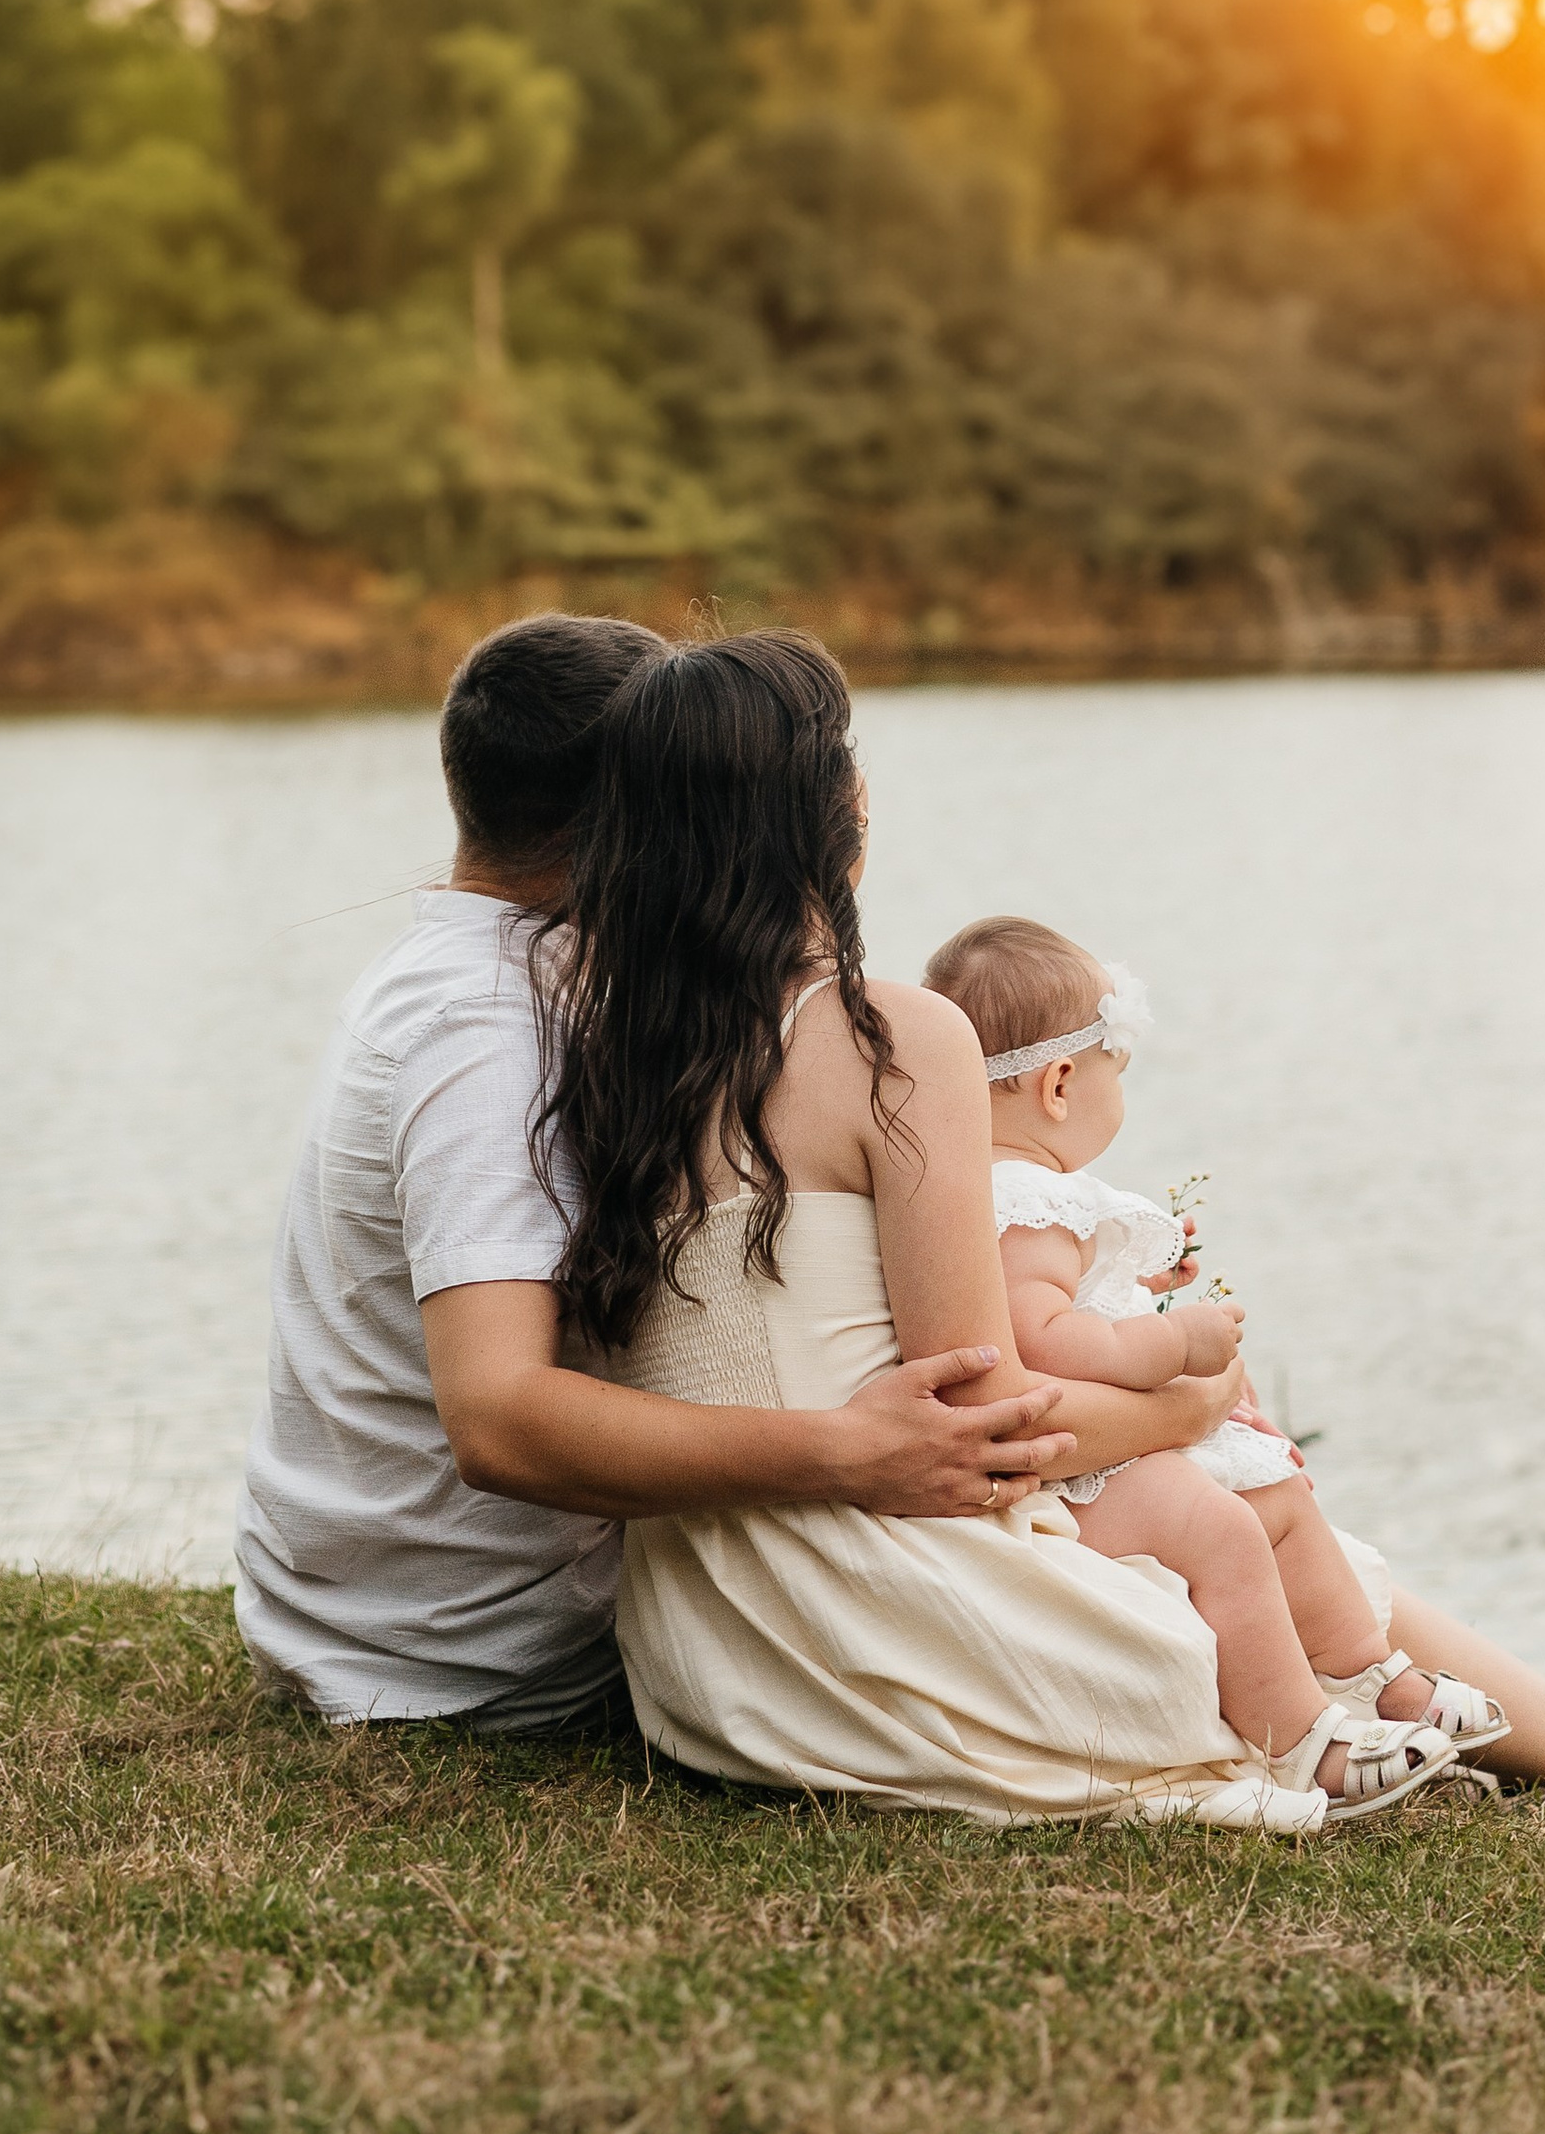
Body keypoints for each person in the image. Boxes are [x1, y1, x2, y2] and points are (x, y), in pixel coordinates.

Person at [539, 627, 1464, 1829]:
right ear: (836, 815)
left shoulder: (604, 1051)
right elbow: (986, 1411)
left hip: (700, 1653)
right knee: (1226, 1586)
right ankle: (1508, 1752)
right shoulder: (893, 1034)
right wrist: (1182, 1400)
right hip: (874, 1621)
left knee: (1256, 1545)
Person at [231, 613, 1079, 1727]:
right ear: (639, 809)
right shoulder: (489, 1027)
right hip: (472, 1654)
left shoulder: (505, 974)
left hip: (388, 1613)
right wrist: (849, 1451)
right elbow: (497, 1418)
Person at [936, 910, 1545, 1826]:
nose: (1120, 1096)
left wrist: (1133, 1281)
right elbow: (1051, 1340)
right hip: (1085, 1475)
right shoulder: (1017, 1200)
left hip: (1111, 1448)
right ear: (1060, 1083)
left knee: (1285, 1506)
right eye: (1118, 1074)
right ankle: (1302, 1740)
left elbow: (1060, 1302)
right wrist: (1179, 1344)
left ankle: (1378, 1681)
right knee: (1223, 1534)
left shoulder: (1018, 1197)